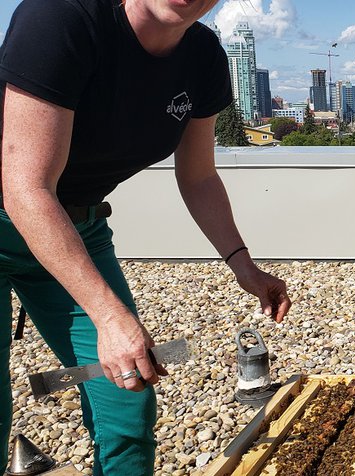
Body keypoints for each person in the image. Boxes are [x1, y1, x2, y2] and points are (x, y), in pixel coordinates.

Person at [0, 0, 292, 473]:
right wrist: (109, 316)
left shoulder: (203, 56)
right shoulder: (62, 17)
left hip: (78, 227)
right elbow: (26, 189)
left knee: (128, 394)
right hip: (19, 207)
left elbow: (198, 176)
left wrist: (244, 266)